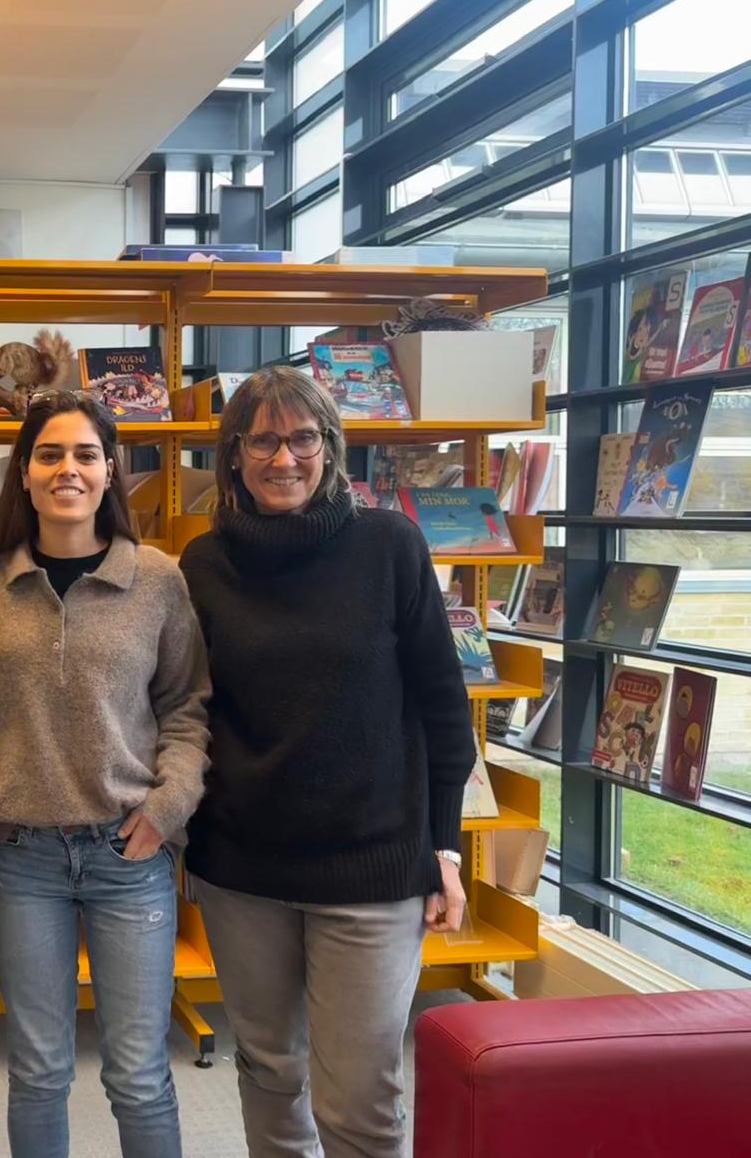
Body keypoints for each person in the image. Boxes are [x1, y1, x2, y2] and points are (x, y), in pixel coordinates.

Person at [178, 365, 473, 1158]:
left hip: (371, 870)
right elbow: (188, 712)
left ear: (330, 447)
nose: (284, 458)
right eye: (263, 441)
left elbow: (446, 710)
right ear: (233, 454)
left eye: (303, 438)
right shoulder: (203, 565)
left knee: (361, 1100)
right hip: (243, 871)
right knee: (269, 1072)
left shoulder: (390, 546)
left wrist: (445, 849)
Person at [0, 389, 210, 1158]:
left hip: (128, 853)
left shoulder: (158, 579)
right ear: (24, 473)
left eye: (85, 454)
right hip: (23, 858)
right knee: (38, 1072)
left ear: (109, 471)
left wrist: (168, 807)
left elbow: (187, 707)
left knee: (138, 1074)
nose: (67, 469)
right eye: (49, 454)